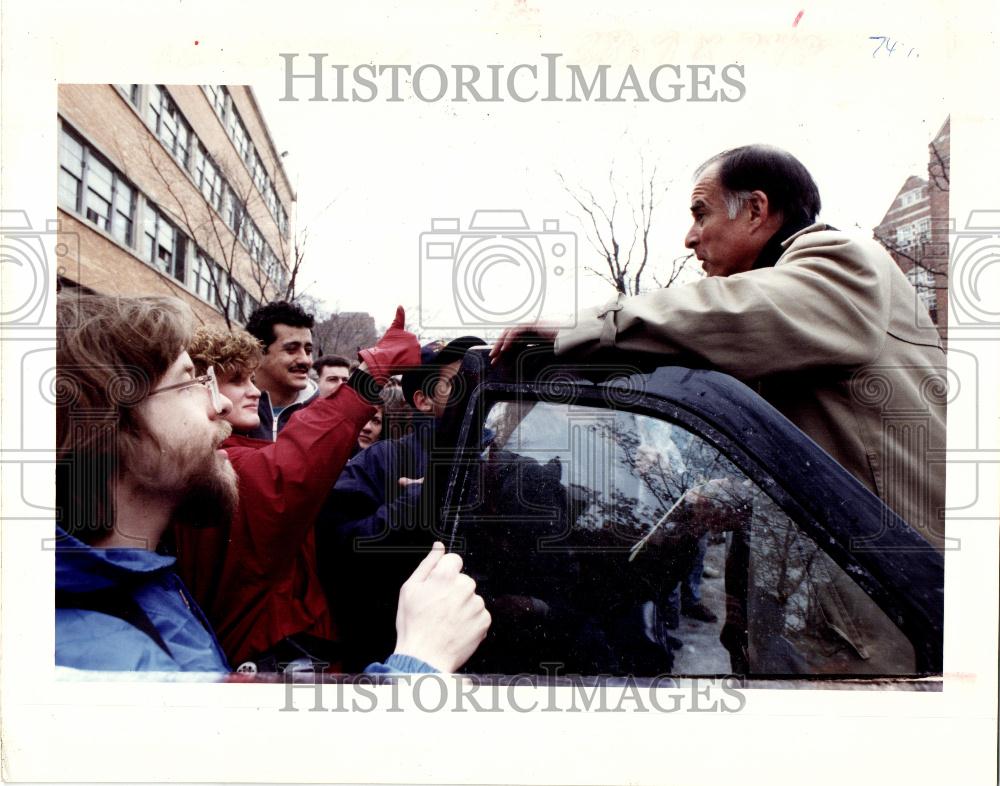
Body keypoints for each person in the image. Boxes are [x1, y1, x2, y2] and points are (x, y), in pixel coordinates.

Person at [492, 144, 946, 551]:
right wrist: (729, 496)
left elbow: (729, 309)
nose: (690, 237)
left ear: (755, 210)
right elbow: (829, 457)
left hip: (896, 589)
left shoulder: (839, 259)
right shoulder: (792, 326)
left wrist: (587, 325)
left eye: (700, 213)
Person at [55, 294, 489, 674]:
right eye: (193, 382)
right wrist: (418, 662)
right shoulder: (103, 656)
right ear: (109, 423)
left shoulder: (147, 591)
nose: (223, 401)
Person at [176, 310, 490, 672]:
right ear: (202, 391)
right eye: (235, 380)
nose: (253, 391)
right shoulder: (220, 466)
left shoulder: (244, 452)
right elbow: (295, 474)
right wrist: (372, 372)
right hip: (273, 658)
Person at [316, 336, 485, 670]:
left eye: (479, 382)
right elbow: (337, 548)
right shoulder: (381, 461)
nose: (474, 392)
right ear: (422, 400)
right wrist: (417, 501)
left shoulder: (508, 465)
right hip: (393, 660)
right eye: (457, 383)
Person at [244, 300, 317, 441]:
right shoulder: (226, 411)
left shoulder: (323, 415)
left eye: (308, 351)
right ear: (258, 352)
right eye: (291, 349)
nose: (305, 360)